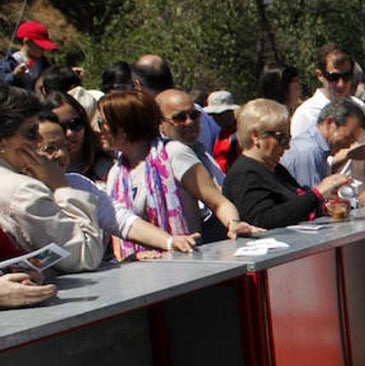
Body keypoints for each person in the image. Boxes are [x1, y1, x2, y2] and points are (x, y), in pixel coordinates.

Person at [96, 89, 259, 260]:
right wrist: (133, 256)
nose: (98, 130)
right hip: (141, 275)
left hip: (186, 265)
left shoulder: (173, 154)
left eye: (102, 123)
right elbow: (119, 230)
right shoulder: (116, 173)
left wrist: (233, 224)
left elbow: (218, 202)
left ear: (124, 126)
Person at [38, 113, 199, 256]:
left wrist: (169, 242)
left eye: (64, 147)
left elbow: (121, 219)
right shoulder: (23, 193)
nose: (61, 154)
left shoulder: (78, 184)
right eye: (50, 148)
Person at [0, 84, 104, 272]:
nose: (38, 142)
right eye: (31, 133)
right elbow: (86, 256)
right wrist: (61, 186)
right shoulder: (24, 190)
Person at [222, 98, 351, 229]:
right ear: (256, 136)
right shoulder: (245, 174)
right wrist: (318, 193)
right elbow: (262, 220)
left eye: (289, 138)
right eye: (281, 138)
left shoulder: (275, 169)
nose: (288, 146)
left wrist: (324, 207)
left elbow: (293, 205)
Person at [280, 98, 365, 206]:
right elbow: (312, 206)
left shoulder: (315, 148)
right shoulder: (310, 152)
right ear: (330, 123)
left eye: (353, 140)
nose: (349, 145)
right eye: (348, 137)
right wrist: (359, 201)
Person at [290, 44, 365, 137]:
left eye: (346, 76)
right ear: (320, 75)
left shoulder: (359, 107)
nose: (341, 84)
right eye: (334, 77)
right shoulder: (307, 113)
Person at [44, 90, 113, 183]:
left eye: (75, 123)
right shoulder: (41, 173)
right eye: (61, 127)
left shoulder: (109, 163)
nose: (70, 133)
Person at [1, 21, 56, 91]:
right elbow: (2, 81)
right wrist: (14, 76)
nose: (43, 50)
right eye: (40, 47)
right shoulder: (11, 61)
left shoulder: (43, 63)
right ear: (27, 42)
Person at [204, 91, 241, 174]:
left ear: (230, 112)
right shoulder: (221, 132)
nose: (217, 118)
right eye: (213, 114)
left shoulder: (240, 133)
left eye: (221, 114)